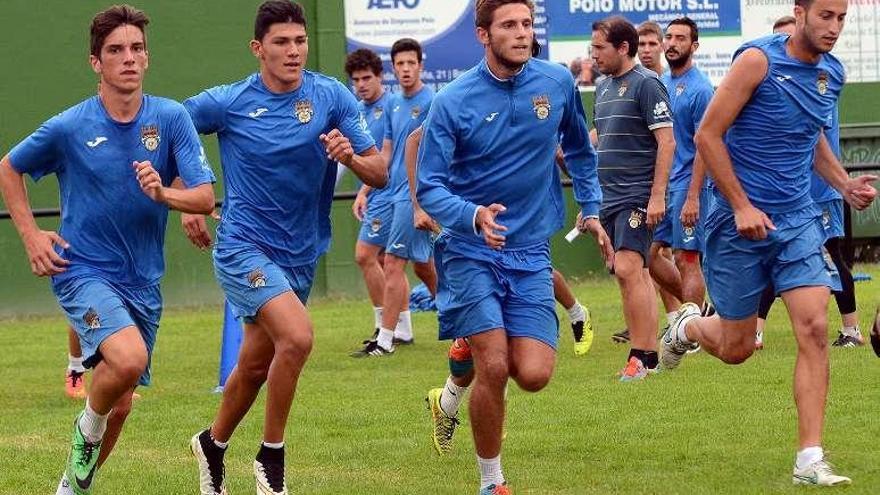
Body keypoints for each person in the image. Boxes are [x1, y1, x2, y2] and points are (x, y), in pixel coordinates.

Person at [0, 6, 215, 494]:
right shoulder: (71, 126)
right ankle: (85, 429)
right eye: (116, 50)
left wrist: (166, 195)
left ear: (148, 57)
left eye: (136, 48)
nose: (128, 58)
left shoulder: (171, 117)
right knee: (130, 359)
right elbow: (8, 168)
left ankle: (71, 488)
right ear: (96, 62)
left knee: (121, 403)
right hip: (82, 271)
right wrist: (32, 236)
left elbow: (202, 196)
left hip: (143, 279)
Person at [660, 0, 876, 485]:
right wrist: (740, 205)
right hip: (736, 222)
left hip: (798, 219)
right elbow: (709, 135)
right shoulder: (757, 61)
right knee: (736, 348)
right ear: (799, 12)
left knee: (816, 327)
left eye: (842, 18)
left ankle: (809, 461)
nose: (834, 27)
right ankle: (688, 328)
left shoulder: (831, 74)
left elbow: (811, 135)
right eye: (825, 15)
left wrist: (843, 185)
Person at [182, 2, 385, 494]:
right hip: (242, 246)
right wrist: (189, 195)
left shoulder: (330, 96)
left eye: (300, 41)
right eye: (281, 42)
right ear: (258, 49)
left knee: (253, 365)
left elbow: (380, 171)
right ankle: (271, 461)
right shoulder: (228, 101)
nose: (293, 51)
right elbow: (173, 127)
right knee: (297, 338)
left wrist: (350, 159)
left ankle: (211, 444)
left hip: (300, 251)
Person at [417, 0, 604, 491]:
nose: (521, 33)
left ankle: (451, 385)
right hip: (468, 249)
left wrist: (591, 207)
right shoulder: (452, 101)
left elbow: (581, 152)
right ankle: (491, 481)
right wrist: (473, 215)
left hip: (529, 250)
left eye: (526, 24)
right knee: (494, 365)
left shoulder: (557, 83)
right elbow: (430, 185)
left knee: (535, 374)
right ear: (483, 35)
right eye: (509, 26)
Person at [754, 15, 863, 350]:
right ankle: (753, 330)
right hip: (789, 193)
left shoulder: (819, 80)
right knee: (774, 256)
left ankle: (852, 329)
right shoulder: (771, 77)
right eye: (778, 42)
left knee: (830, 254)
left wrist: (844, 184)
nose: (784, 49)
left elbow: (813, 140)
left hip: (818, 190)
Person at [588, 16, 674, 380]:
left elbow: (666, 142)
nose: (593, 55)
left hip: (637, 194)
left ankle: (640, 355)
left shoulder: (647, 84)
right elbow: (604, 142)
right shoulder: (604, 87)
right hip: (609, 197)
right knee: (628, 274)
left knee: (629, 268)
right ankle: (649, 357)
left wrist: (657, 196)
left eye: (599, 48)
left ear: (623, 48)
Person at [351, 38, 436, 357]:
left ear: (420, 66)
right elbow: (385, 153)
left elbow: (439, 150)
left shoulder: (433, 101)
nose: (405, 69)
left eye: (410, 63)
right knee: (423, 266)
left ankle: (385, 339)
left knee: (394, 262)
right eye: (399, 63)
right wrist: (364, 189)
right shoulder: (393, 105)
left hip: (415, 195)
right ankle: (463, 324)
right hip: (393, 193)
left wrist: (422, 199)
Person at [652, 17, 713, 310]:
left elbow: (706, 145)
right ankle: (698, 312)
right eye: (670, 37)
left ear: (694, 45)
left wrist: (693, 197)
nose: (672, 44)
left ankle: (691, 330)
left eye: (680, 38)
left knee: (687, 257)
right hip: (663, 185)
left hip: (689, 186)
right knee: (648, 255)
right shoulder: (662, 83)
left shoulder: (701, 89)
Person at [346, 48, 394, 338]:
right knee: (385, 262)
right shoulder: (355, 111)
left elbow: (387, 157)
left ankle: (384, 327)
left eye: (367, 78)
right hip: (375, 194)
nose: (361, 84)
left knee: (365, 255)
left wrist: (363, 192)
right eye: (356, 80)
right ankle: (400, 326)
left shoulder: (392, 107)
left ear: (380, 77)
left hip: (389, 191)